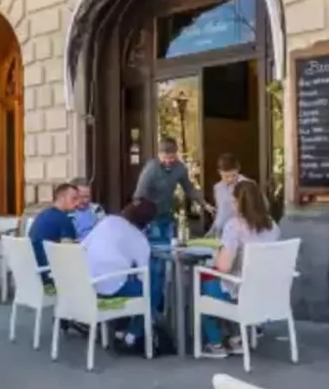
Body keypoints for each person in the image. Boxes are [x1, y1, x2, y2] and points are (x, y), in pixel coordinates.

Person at [198, 178, 280, 358]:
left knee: (205, 282)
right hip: (265, 292)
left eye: (233, 201)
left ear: (239, 203)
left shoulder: (234, 227)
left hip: (240, 292)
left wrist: (217, 252)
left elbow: (224, 266)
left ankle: (215, 342)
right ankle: (236, 338)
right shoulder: (272, 226)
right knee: (224, 284)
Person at [133, 139, 210, 309]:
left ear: (176, 154)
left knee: (168, 259)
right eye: (165, 157)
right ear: (159, 155)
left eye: (172, 157)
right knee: (156, 262)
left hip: (167, 216)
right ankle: (152, 303)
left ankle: (162, 301)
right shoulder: (151, 169)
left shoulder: (180, 168)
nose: (168, 161)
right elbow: (138, 196)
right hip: (151, 219)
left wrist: (204, 204)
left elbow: (189, 188)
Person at [82, 198, 157, 346]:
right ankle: (133, 334)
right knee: (153, 289)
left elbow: (84, 245)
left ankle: (121, 329)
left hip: (87, 283)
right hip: (109, 287)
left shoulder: (106, 222)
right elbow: (144, 275)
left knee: (126, 279)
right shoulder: (139, 238)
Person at [28, 183, 80, 283]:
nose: (77, 203)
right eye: (74, 198)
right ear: (61, 198)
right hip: (52, 275)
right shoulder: (64, 220)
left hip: (34, 272)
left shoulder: (42, 215)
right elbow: (68, 253)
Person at [208, 153, 243, 238]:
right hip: (221, 233)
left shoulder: (247, 186)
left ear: (238, 169)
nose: (230, 179)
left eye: (234, 175)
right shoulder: (218, 188)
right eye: (226, 176)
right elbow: (221, 213)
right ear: (219, 172)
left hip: (240, 233)